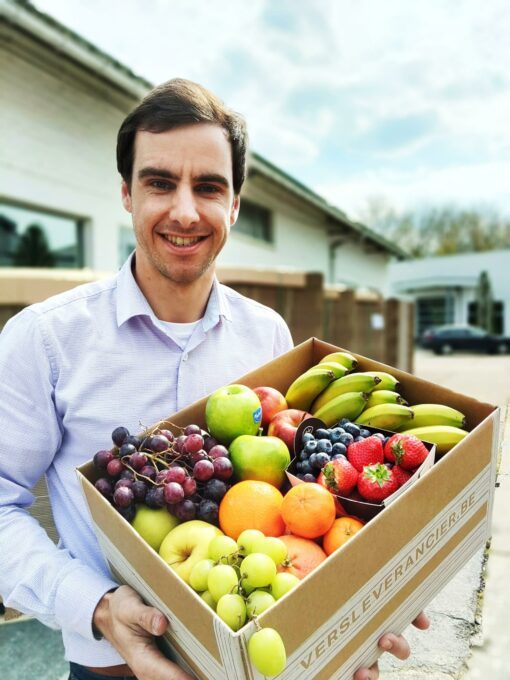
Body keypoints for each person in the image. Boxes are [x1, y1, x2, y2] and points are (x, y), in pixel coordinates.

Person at [0, 78, 428, 680]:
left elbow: (304, 498)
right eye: (158, 182)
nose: (183, 210)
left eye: (208, 186)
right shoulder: (45, 339)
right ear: (126, 193)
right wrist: (96, 607)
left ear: (234, 203)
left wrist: (367, 597)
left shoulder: (269, 338)